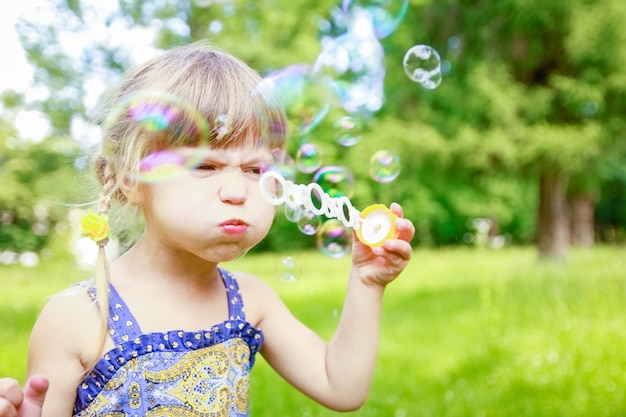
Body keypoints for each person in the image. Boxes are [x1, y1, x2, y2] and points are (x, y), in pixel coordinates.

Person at [0, 41, 415, 417]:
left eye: (256, 169)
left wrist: (366, 282)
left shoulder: (251, 302)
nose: (237, 191)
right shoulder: (78, 320)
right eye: (204, 165)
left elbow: (340, 386)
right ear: (131, 177)